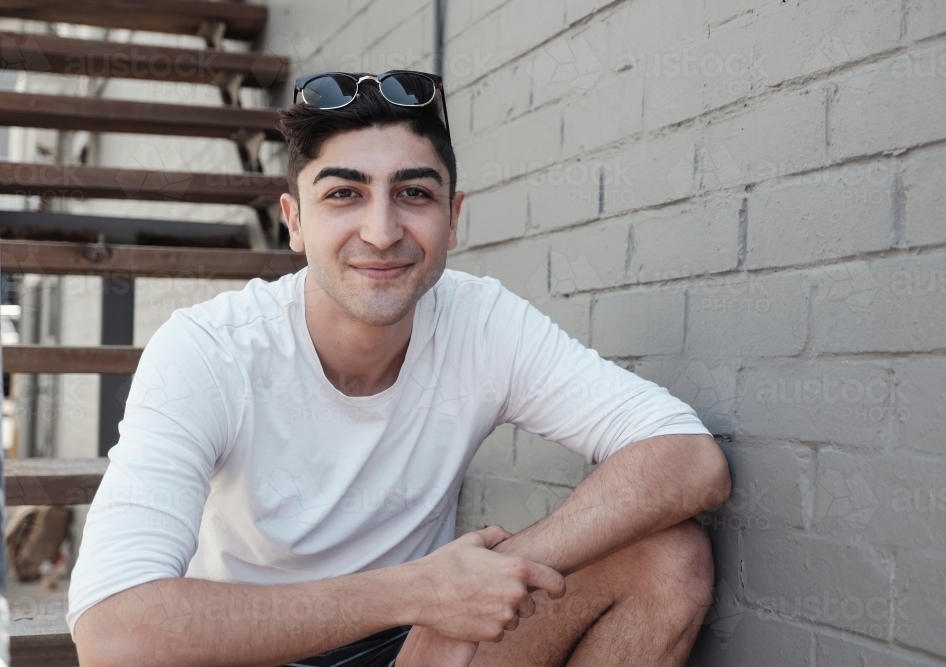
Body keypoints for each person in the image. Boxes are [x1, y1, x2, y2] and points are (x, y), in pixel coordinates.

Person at [68, 70, 731, 667]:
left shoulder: (479, 320)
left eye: (412, 192)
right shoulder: (209, 351)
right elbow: (113, 632)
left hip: (417, 645)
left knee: (669, 557)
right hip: (258, 645)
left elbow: (689, 459)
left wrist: (475, 584)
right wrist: (416, 591)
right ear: (294, 221)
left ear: (453, 217)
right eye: (344, 194)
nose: (382, 230)